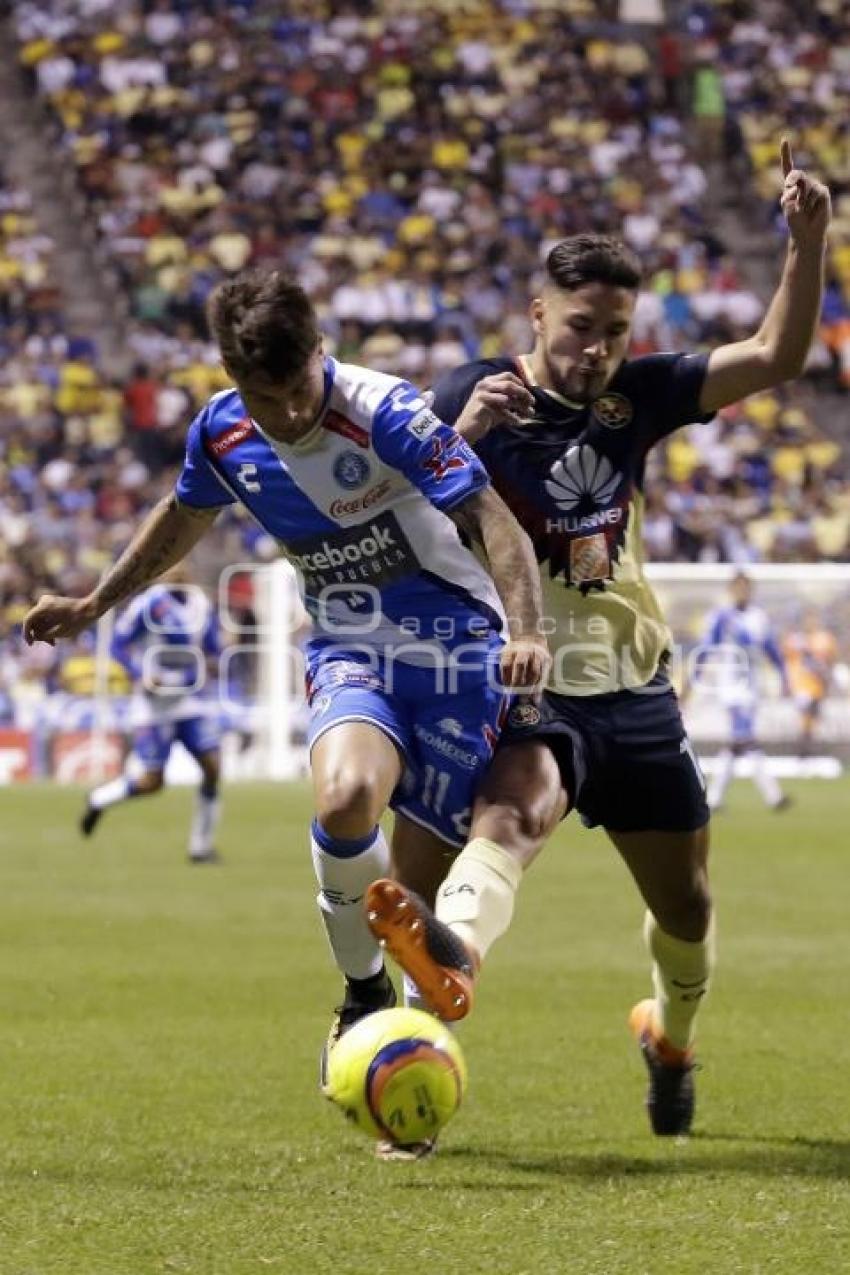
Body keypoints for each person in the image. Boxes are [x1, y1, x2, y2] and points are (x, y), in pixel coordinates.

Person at [365, 140, 831, 1137]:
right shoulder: (466, 393)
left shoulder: (640, 395)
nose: (596, 349)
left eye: (614, 332)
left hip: (635, 687)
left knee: (689, 910)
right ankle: (447, 970)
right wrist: (467, 441)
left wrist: (811, 240)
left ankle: (668, 1034)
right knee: (511, 819)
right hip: (533, 685)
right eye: (580, 327)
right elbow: (394, 526)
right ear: (537, 316)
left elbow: (778, 356)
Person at [23, 266, 550, 1124]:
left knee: (413, 897)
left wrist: (527, 630)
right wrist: (95, 601)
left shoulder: (386, 411)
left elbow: (494, 518)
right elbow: (182, 515)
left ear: (320, 351)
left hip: (458, 650)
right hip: (352, 647)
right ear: (237, 382)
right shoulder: (224, 434)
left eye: (301, 385)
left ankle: (405, 1088)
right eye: (269, 398)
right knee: (345, 800)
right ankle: (361, 998)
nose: (293, 413)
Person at [80, 565, 225, 863]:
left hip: (190, 700)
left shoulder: (201, 604)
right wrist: (139, 674)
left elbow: (211, 646)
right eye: (171, 566)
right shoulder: (148, 603)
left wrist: (217, 655)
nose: (177, 572)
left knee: (212, 767)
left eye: (182, 565)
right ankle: (98, 800)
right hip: (153, 704)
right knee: (151, 782)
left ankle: (201, 848)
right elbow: (118, 644)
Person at [695, 571, 792, 814]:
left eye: (746, 588)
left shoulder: (759, 617)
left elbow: (771, 649)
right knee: (745, 735)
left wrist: (784, 676)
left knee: (737, 743)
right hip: (731, 685)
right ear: (731, 591)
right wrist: (696, 676)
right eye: (738, 588)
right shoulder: (721, 617)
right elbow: (707, 647)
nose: (742, 592)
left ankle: (714, 798)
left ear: (751, 590)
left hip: (752, 684)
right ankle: (774, 796)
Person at [783, 609, 838, 755]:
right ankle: (803, 752)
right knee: (806, 719)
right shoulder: (796, 639)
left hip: (818, 686)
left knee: (813, 721)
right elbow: (787, 661)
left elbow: (830, 661)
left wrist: (828, 680)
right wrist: (788, 682)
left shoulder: (825, 638)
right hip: (801, 686)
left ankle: (806, 751)